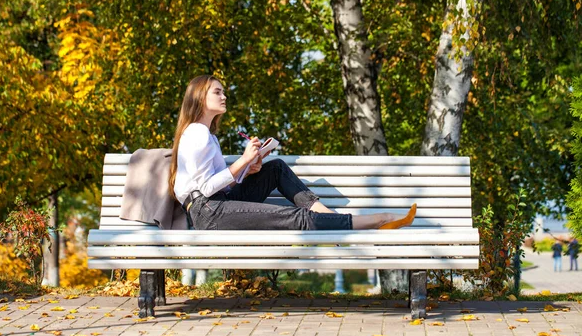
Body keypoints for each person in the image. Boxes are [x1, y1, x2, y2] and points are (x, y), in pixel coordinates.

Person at [168, 75, 417, 231]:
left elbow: (222, 183)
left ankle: (328, 217)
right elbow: (205, 189)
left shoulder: (208, 135)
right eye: (217, 92)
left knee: (274, 168)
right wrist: (242, 160)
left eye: (223, 92)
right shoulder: (197, 134)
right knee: (295, 217)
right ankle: (377, 220)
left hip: (216, 204)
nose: (224, 96)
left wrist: (248, 168)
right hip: (207, 211)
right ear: (200, 98)